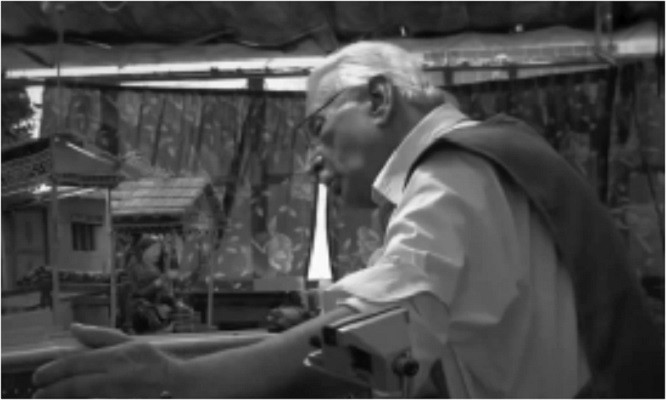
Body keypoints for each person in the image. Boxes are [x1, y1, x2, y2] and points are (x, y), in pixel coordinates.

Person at [32, 42, 662, 398]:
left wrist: (178, 380)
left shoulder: (452, 178)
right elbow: (391, 347)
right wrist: (181, 356)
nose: (311, 162)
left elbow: (368, 337)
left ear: (380, 98)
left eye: (317, 128)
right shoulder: (492, 159)